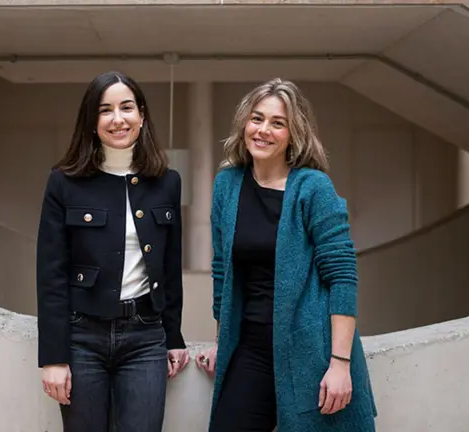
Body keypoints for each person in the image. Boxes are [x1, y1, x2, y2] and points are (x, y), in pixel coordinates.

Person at [195, 78, 377, 432]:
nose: (263, 130)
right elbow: (224, 273)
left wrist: (339, 364)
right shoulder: (227, 185)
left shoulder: (313, 188)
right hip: (251, 347)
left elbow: (341, 276)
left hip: (311, 349)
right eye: (257, 118)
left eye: (278, 123)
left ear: (294, 134)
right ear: (244, 123)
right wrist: (223, 342)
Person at [36, 70, 190, 432]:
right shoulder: (63, 182)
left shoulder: (167, 182)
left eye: (126, 108)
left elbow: (169, 267)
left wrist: (174, 336)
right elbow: (51, 274)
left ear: (142, 115)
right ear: (92, 121)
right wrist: (54, 357)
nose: (117, 119)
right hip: (81, 338)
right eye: (105, 110)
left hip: (145, 338)